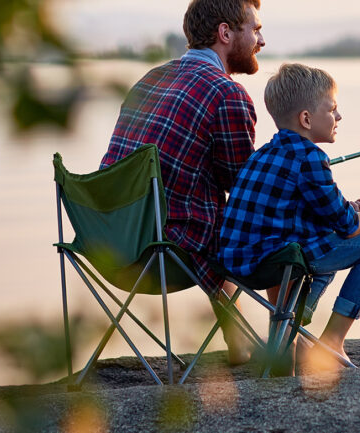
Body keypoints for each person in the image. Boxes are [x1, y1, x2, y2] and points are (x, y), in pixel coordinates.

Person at [99, 0, 265, 364]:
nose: (261, 40)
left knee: (198, 211)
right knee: (262, 216)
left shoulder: (150, 78)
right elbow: (243, 192)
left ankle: (239, 341)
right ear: (225, 33)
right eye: (255, 29)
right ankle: (286, 345)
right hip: (162, 254)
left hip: (108, 243)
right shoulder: (227, 94)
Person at [218, 63, 360, 370]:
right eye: (332, 109)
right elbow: (347, 226)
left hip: (237, 266)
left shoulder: (262, 154)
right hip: (277, 264)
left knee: (322, 240)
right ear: (306, 118)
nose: (339, 116)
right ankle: (331, 341)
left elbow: (303, 208)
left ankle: (289, 335)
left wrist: (351, 207)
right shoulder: (311, 158)